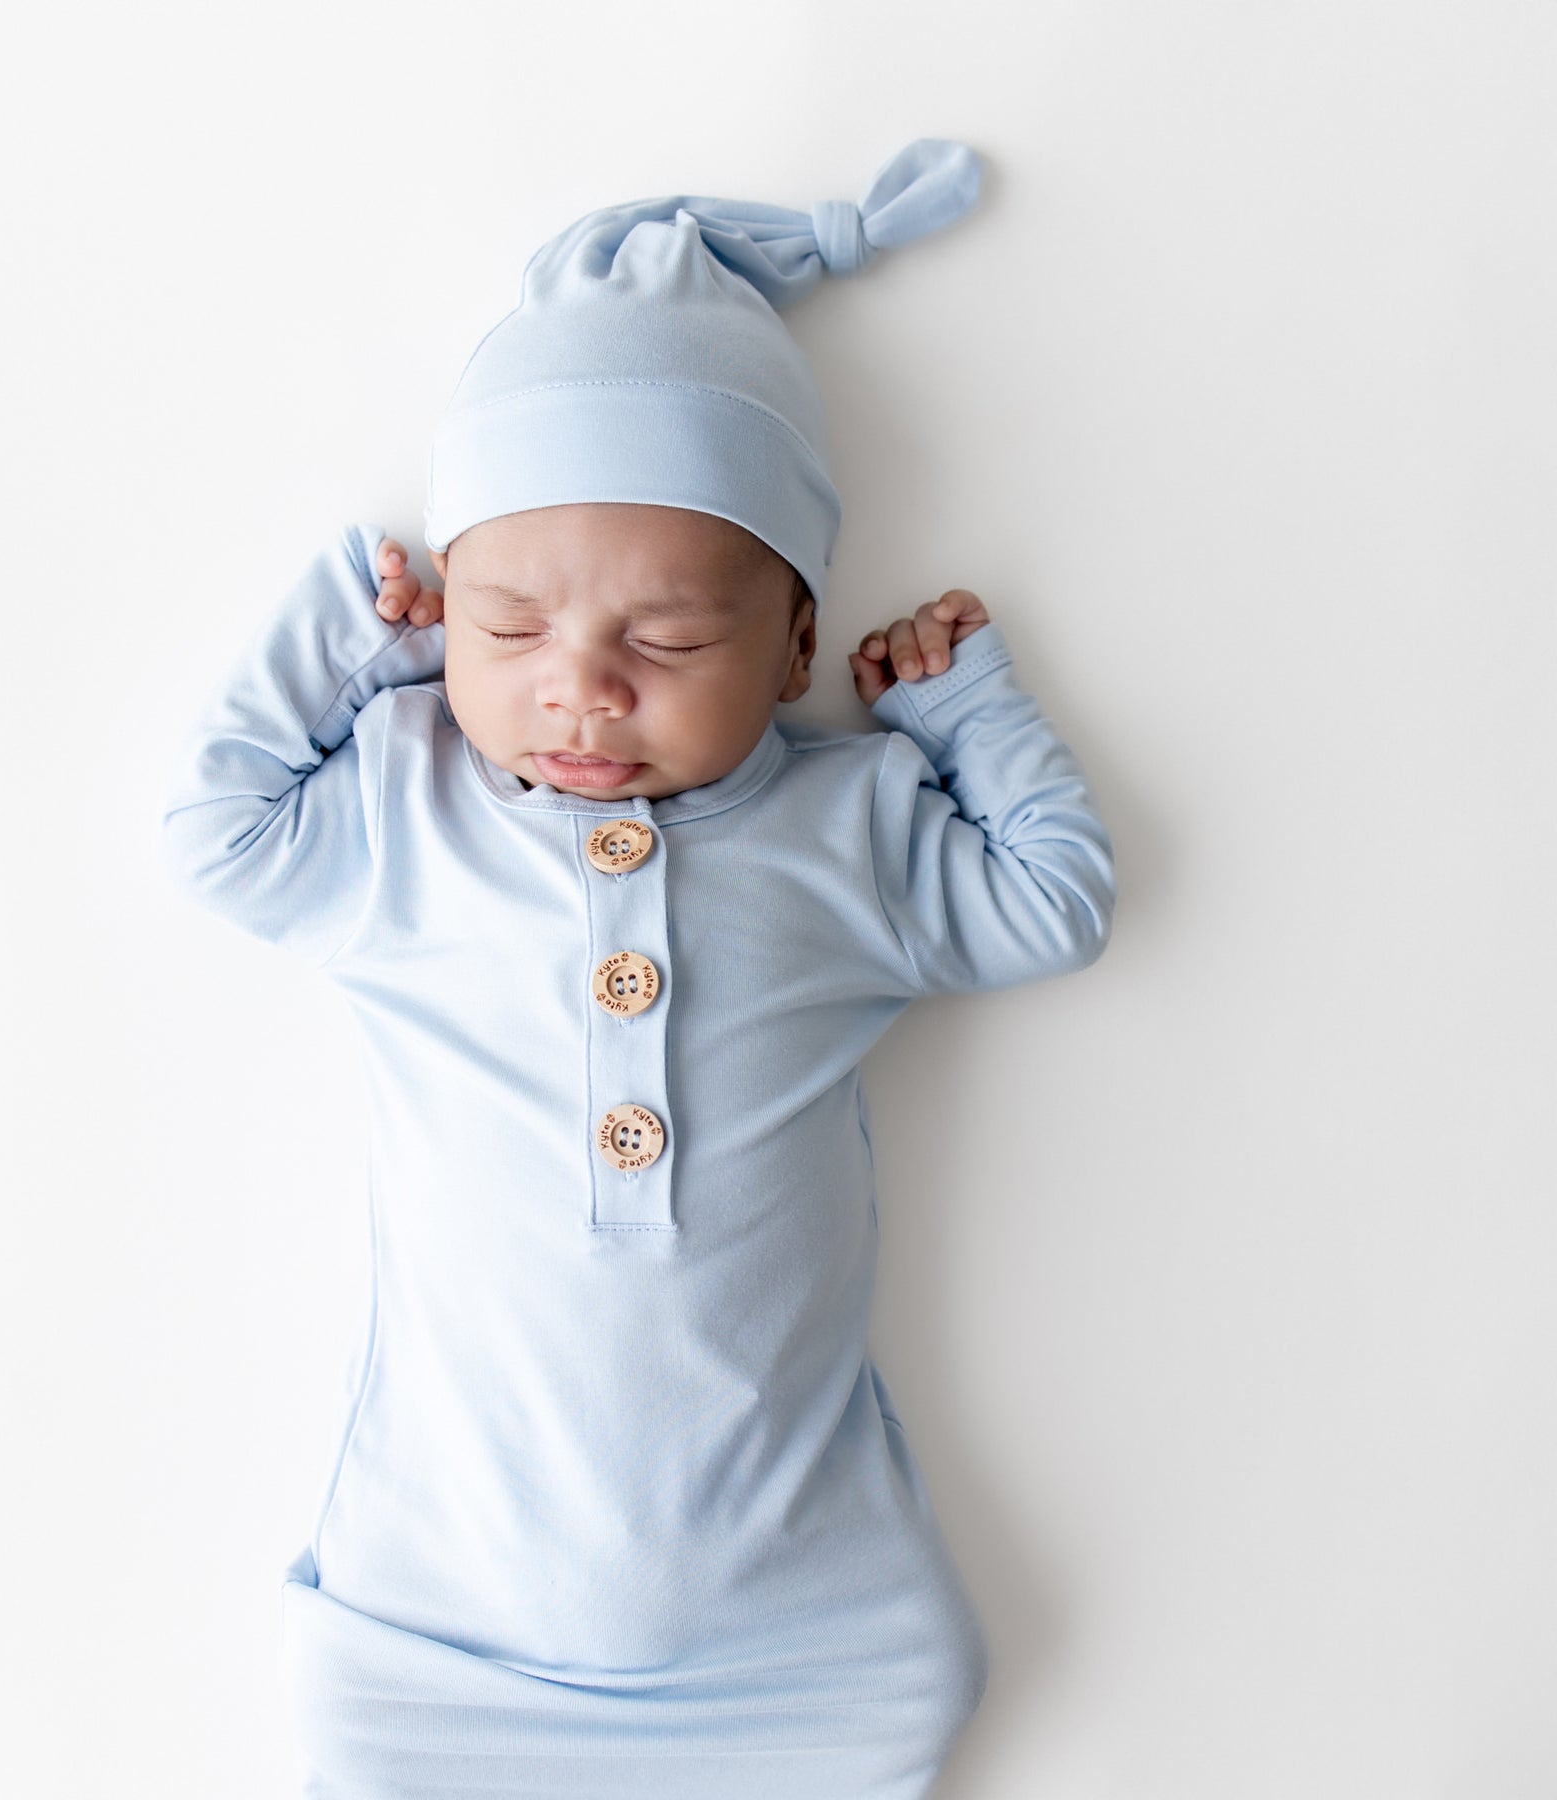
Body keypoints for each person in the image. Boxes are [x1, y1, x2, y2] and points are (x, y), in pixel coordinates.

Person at [156, 139, 1116, 1800]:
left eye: (666, 643)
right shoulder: (406, 818)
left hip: (803, 1634)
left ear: (799, 641)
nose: (583, 693)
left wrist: (964, 714)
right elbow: (213, 829)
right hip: (445, 1632)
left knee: (902, 1691)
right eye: (508, 632)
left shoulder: (849, 830)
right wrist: (345, 628)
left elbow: (1055, 899)